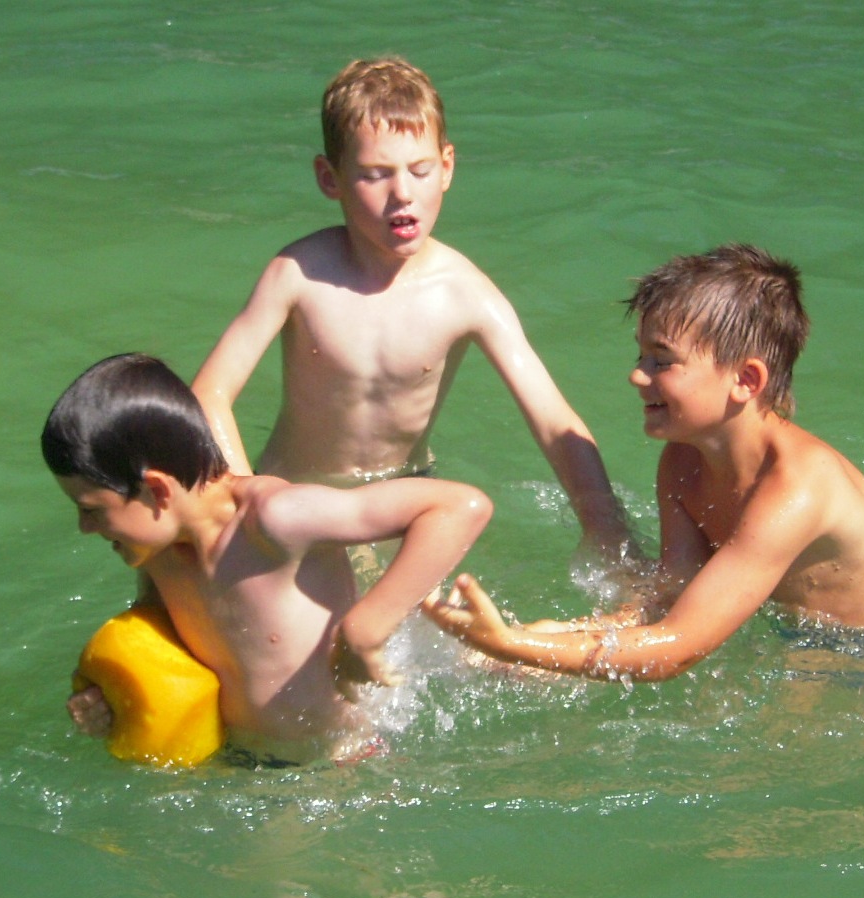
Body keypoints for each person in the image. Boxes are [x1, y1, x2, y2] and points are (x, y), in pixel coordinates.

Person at [424, 244, 864, 682]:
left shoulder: (798, 489)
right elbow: (673, 598)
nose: (637, 375)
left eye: (662, 361)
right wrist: (544, 638)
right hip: (812, 647)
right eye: (641, 354)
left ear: (745, 380)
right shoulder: (682, 462)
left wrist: (514, 645)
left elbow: (675, 650)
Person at [191, 56, 631, 560]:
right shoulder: (298, 275)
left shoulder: (466, 294)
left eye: (420, 171)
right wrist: (246, 499)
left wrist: (606, 529)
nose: (402, 193)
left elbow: (553, 421)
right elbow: (210, 393)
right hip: (294, 498)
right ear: (329, 178)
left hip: (399, 504)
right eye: (374, 175)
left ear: (447, 167)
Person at [44, 354, 492, 765]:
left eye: (91, 510)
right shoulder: (157, 555)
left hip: (341, 763)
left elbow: (459, 508)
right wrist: (109, 695)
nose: (84, 527)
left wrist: (367, 627)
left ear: (157, 490)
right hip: (237, 762)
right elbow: (159, 639)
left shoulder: (274, 521)